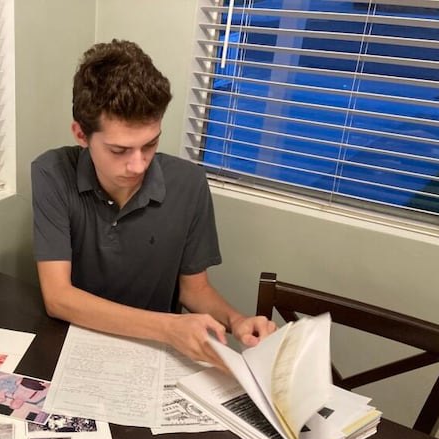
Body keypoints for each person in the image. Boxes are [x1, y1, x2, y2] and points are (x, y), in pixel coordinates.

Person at [31, 39, 275, 368]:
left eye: (150, 144)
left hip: (157, 357)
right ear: (81, 135)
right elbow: (58, 298)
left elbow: (195, 289)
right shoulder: (52, 173)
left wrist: (236, 320)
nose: (138, 165)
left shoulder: (189, 184)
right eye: (119, 151)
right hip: (78, 348)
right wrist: (168, 327)